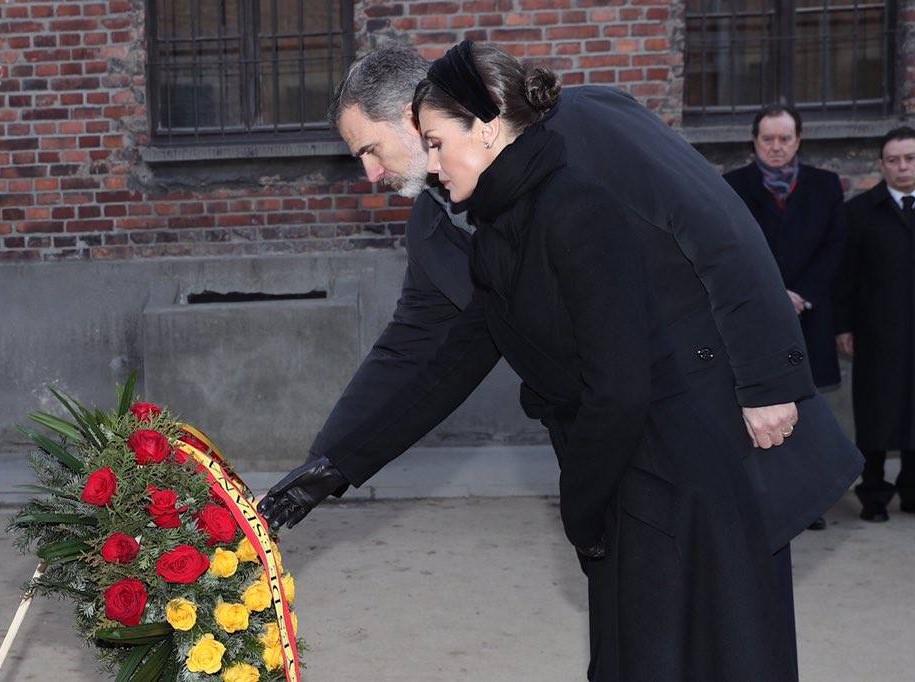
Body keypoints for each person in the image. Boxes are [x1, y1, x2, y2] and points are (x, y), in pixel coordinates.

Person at [260, 42, 862, 681]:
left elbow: (720, 227)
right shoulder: (436, 226)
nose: (371, 176)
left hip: (708, 420)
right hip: (610, 449)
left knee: (730, 639)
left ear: (416, 117)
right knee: (637, 644)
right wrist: (328, 465)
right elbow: (418, 353)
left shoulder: (588, 122)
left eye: (368, 150)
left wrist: (770, 379)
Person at [724, 105, 848, 531]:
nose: (776, 147)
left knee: (809, 411)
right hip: (756, 319)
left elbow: (834, 248)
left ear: (799, 140)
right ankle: (765, 502)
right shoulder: (733, 186)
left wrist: (800, 294)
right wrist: (773, 296)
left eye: (785, 139)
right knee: (762, 409)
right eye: (767, 139)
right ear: (754, 141)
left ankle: (809, 503)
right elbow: (731, 250)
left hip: (809, 314)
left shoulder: (825, 185)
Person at [835, 126, 915, 522]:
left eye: (910, 158)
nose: (902, 167)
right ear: (881, 165)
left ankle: (913, 491)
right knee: (876, 413)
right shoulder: (861, 212)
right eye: (894, 160)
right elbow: (845, 275)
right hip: (878, 330)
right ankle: (874, 494)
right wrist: (844, 325)